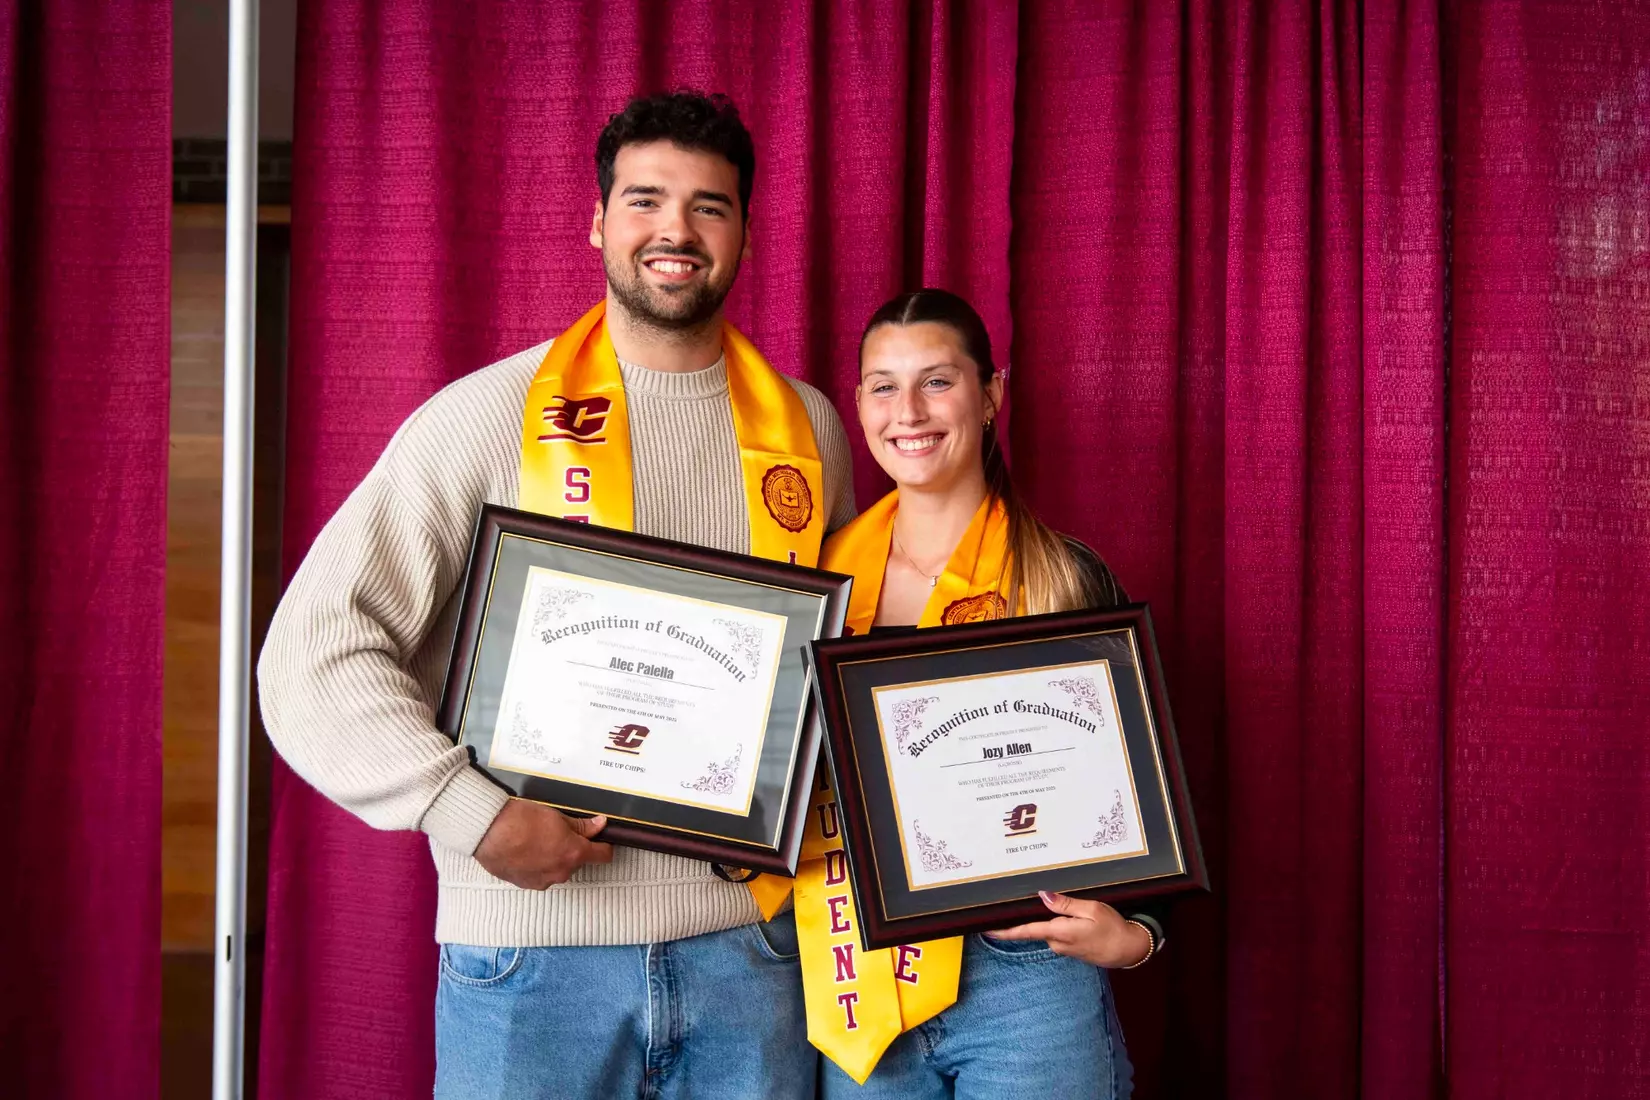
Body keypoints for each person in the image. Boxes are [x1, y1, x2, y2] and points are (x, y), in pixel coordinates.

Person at [257, 91, 856, 1100]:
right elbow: (313, 648)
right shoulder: (486, 416)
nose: (676, 229)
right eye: (646, 199)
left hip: (749, 955)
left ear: (746, 232)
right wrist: (473, 811)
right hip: (533, 961)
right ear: (598, 221)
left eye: (710, 206)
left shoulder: (810, 430)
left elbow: (827, 670)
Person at [803, 288, 1165, 1098]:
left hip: (1027, 976)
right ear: (858, 402)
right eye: (884, 385)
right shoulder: (814, 582)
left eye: (938, 381)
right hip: (855, 975)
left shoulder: (1062, 577)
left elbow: (1143, 784)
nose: (909, 411)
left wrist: (1138, 935)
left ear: (991, 393)